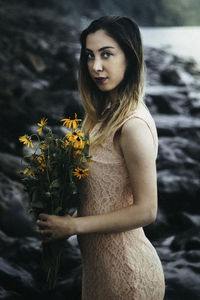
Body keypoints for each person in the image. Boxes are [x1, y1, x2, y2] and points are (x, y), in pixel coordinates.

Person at [36, 16, 165, 299]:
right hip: (98, 272)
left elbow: (147, 210)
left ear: (130, 57)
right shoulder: (97, 118)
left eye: (107, 54)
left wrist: (73, 226)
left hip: (128, 277)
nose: (95, 66)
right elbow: (100, 196)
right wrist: (60, 224)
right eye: (89, 55)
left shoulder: (132, 125)